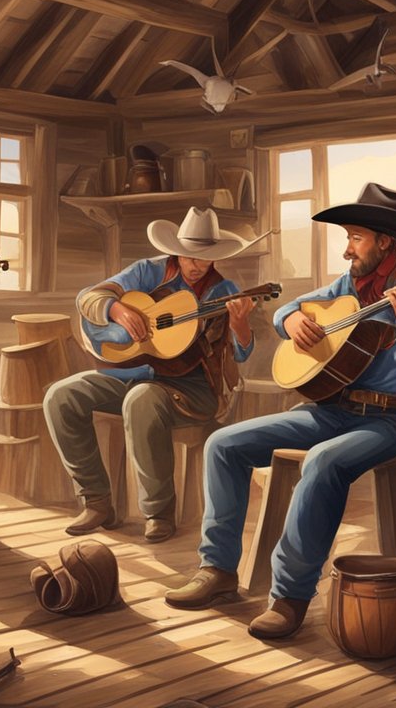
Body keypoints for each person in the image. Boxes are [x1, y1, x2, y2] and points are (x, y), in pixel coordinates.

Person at [164, 183, 396, 640]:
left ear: (385, 241)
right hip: (332, 409)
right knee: (223, 445)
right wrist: (290, 319)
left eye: (356, 237)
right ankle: (217, 569)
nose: (347, 248)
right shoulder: (349, 285)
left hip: (391, 420)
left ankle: (289, 596)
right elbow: (287, 308)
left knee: (324, 460)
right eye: (348, 237)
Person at [45, 207, 263, 543]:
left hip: (190, 387)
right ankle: (96, 500)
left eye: (204, 257)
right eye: (189, 255)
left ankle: (158, 512)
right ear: (176, 249)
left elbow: (243, 354)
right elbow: (88, 298)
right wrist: (115, 309)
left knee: (141, 399)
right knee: (61, 396)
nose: (195, 264)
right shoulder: (149, 271)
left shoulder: (224, 291)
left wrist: (240, 326)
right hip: (133, 373)